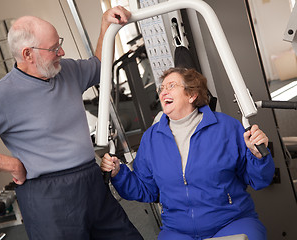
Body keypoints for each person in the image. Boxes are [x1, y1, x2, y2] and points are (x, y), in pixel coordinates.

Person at [0, 6, 144, 240]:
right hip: (50, 197)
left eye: (59, 43)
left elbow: (100, 68)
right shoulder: (1, 96)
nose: (61, 51)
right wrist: (10, 164)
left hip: (91, 181)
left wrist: (105, 28)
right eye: (53, 48)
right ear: (28, 54)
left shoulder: (66, 70)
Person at [101, 67, 275, 240]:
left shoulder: (227, 127)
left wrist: (258, 156)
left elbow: (260, 180)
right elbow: (147, 189)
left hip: (230, 221)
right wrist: (119, 173)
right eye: (162, 88)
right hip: (178, 230)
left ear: (192, 95)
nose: (163, 92)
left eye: (171, 86)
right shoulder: (151, 139)